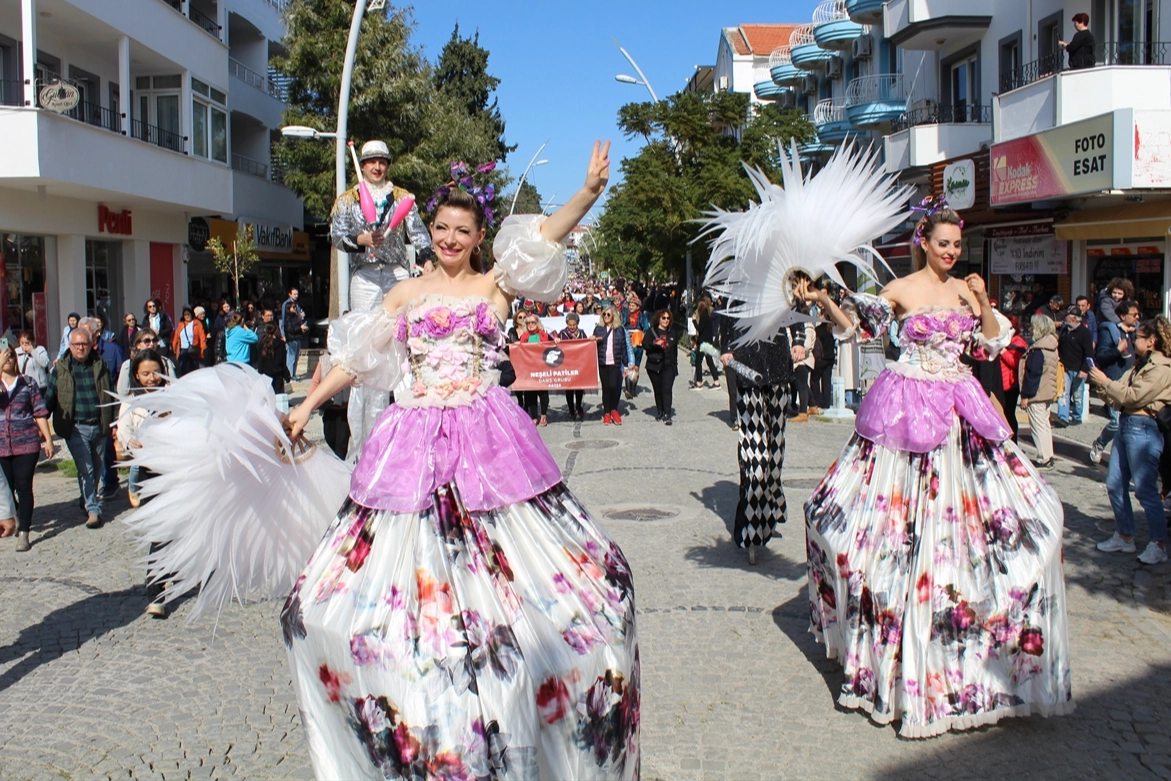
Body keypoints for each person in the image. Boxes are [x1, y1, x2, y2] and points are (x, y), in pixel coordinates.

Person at [279, 141, 638, 778]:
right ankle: (425, 713)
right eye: (441, 227)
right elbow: (353, 363)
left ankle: (506, 706)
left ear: (478, 238)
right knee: (356, 595)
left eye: (461, 230)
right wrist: (307, 407)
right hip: (411, 441)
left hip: (486, 438)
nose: (449, 237)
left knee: (521, 578)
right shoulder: (403, 297)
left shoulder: (494, 287)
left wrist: (588, 192)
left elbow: (546, 238)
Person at [801, 197, 1070, 737]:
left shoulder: (966, 290)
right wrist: (824, 300)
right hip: (904, 409)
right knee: (887, 530)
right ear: (924, 242)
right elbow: (855, 328)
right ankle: (896, 650)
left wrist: (981, 300)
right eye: (942, 243)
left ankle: (967, 652)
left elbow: (993, 346)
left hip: (960, 409)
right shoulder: (900, 290)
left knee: (1011, 521)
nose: (951, 252)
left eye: (956, 245)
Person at [330, 140, 435, 460]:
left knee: (406, 349)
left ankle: (413, 437)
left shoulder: (403, 197)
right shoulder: (347, 201)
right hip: (364, 276)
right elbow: (336, 236)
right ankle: (363, 449)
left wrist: (428, 260)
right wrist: (361, 240)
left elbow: (418, 234)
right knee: (363, 353)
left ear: (388, 164)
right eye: (372, 161)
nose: (377, 166)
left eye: (383, 161)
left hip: (396, 275)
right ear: (362, 165)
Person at [717, 304, 796, 565]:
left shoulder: (782, 282)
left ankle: (773, 501)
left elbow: (796, 310)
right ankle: (750, 524)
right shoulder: (740, 284)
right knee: (755, 453)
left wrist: (801, 340)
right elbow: (728, 315)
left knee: (775, 449)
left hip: (779, 369)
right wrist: (726, 347)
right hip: (748, 370)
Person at [1090, 316, 1171, 564]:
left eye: (1139, 337)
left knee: (1145, 489)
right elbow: (1119, 394)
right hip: (1127, 424)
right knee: (1115, 483)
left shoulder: (1162, 368)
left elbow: (1133, 396)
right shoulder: (1139, 364)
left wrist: (1106, 384)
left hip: (1144, 428)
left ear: (1152, 341)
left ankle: (1158, 543)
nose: (1133, 340)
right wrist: (1103, 385)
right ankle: (1125, 535)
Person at [114, 349, 170, 614]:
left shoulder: (173, 396)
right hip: (149, 472)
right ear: (136, 375)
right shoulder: (131, 402)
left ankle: (172, 571)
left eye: (155, 372)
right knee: (159, 531)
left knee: (176, 529)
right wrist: (129, 443)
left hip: (176, 472)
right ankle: (155, 591)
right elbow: (124, 434)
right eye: (145, 374)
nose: (151, 378)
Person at [45, 325, 114, 529]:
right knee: (87, 469)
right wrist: (40, 421)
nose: (81, 348)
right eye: (77, 344)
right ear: (70, 345)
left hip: (99, 425)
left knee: (97, 466)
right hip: (75, 427)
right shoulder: (61, 368)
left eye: (85, 344)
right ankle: (93, 509)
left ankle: (86, 499)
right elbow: (49, 398)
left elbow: (110, 396)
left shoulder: (101, 365)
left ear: (91, 344)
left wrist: (114, 422)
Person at [0, 343, 54, 552]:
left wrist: (48, 439)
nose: (8, 360)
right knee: (7, 489)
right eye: (4, 357)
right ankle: (13, 516)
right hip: (2, 446)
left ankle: (24, 531)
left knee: (24, 487)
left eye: (11, 356)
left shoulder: (28, 383)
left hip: (26, 444)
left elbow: (39, 412)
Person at [1091, 299, 1140, 464]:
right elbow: (1102, 357)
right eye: (1134, 315)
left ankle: (1123, 456)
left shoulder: (1132, 332)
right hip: (1114, 381)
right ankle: (1099, 443)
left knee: (1125, 422)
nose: (1137, 317)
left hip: (1129, 383)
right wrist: (1117, 350)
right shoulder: (1109, 331)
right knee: (1116, 422)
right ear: (1123, 316)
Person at [1020, 314, 1061, 469]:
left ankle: (1043, 457)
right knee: (1044, 425)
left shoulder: (1038, 349)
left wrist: (1026, 396)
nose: (1030, 329)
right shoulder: (1052, 346)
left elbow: (1032, 374)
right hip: (1047, 391)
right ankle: (1048, 455)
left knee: (1038, 426)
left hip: (1037, 393)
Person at [309, 339, 351, 459]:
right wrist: (310, 404)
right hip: (328, 407)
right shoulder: (323, 360)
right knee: (329, 437)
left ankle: (341, 470)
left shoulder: (349, 359)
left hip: (344, 410)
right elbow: (315, 382)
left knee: (341, 445)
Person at [594, 305, 634, 425]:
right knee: (606, 389)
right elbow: (593, 346)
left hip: (615, 363)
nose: (605, 317)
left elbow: (623, 348)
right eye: (604, 314)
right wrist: (593, 340)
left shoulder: (619, 330)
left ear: (613, 316)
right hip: (603, 363)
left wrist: (626, 365)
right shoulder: (598, 329)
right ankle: (607, 412)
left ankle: (614, 409)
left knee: (614, 387)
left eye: (608, 314)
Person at [1056, 305, 1093, 426]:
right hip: (1065, 368)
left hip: (1078, 369)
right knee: (1063, 393)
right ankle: (1063, 417)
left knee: (1078, 394)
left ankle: (1077, 416)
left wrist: (1084, 369)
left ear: (1074, 319)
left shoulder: (1085, 333)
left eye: (1067, 316)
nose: (1064, 319)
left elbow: (1089, 353)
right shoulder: (1065, 330)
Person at [517, 312, 554, 426]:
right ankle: (534, 416)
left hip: (541, 367)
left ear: (537, 323)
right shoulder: (524, 336)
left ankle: (543, 415)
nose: (531, 325)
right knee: (530, 392)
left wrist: (555, 341)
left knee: (543, 393)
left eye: (533, 322)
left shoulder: (543, 334)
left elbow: (549, 346)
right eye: (528, 323)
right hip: (529, 367)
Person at [644, 308, 680, 424]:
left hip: (669, 366)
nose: (666, 320)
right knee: (658, 389)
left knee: (667, 389)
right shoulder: (652, 332)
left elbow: (675, 351)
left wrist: (675, 366)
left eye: (668, 318)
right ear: (659, 319)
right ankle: (660, 410)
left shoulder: (672, 332)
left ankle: (667, 414)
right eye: (663, 318)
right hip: (654, 365)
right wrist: (655, 343)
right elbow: (644, 344)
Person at [999, 315, 1029, 443]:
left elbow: (1018, 364)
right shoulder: (1005, 340)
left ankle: (1013, 442)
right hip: (1001, 382)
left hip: (1011, 385)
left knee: (1009, 415)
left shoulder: (1018, 343)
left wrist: (1004, 352)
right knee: (1002, 414)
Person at [558, 312, 589, 420]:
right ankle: (571, 409)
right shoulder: (562, 333)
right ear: (567, 324)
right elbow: (556, 345)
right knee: (569, 388)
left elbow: (587, 345)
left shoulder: (581, 333)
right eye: (570, 325)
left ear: (577, 324)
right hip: (567, 364)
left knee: (579, 388)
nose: (571, 327)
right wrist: (557, 341)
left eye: (574, 325)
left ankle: (579, 406)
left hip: (579, 364)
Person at [788, 315, 816, 423]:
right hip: (797, 360)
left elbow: (806, 344)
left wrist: (795, 353)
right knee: (802, 384)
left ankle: (803, 412)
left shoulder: (807, 327)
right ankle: (813, 405)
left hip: (803, 360)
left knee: (802, 385)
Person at [811, 305, 837, 413]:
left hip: (821, 359)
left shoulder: (819, 329)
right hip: (830, 358)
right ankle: (826, 403)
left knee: (814, 379)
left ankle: (816, 401)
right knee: (826, 381)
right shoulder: (833, 329)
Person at [690, 298, 721, 389]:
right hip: (708, 341)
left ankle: (699, 382)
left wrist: (694, 321)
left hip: (703, 343)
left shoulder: (703, 316)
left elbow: (700, 329)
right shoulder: (708, 316)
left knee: (698, 362)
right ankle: (716, 382)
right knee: (709, 362)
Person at [280, 287, 308, 381]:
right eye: (294, 294)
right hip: (290, 336)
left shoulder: (297, 304)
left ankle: (293, 373)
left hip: (297, 334)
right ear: (290, 294)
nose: (296, 296)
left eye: (297, 294)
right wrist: (283, 334)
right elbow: (284, 322)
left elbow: (298, 318)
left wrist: (301, 318)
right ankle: (290, 374)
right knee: (291, 356)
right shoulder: (286, 305)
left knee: (296, 356)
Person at [623, 299, 649, 399]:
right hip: (627, 342)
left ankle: (633, 389)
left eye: (633, 306)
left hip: (637, 344)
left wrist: (642, 338)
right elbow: (622, 326)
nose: (631, 307)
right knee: (627, 365)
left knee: (636, 366)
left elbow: (646, 329)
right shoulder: (625, 315)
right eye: (630, 305)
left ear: (638, 307)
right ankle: (628, 389)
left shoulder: (642, 317)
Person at [171, 306, 206, 377]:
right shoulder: (181, 324)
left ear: (191, 314)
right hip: (183, 349)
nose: (187, 316)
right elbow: (176, 337)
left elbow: (202, 337)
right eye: (185, 315)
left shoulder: (197, 324)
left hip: (193, 348)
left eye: (188, 314)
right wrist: (174, 347)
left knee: (194, 368)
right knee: (183, 368)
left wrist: (203, 348)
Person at [257, 323, 291, 394]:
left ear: (265, 330)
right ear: (276, 331)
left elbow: (260, 360)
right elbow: (283, 362)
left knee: (268, 395)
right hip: (278, 373)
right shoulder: (281, 344)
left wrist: (260, 373)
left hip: (266, 374)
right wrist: (286, 375)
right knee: (278, 395)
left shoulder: (262, 343)